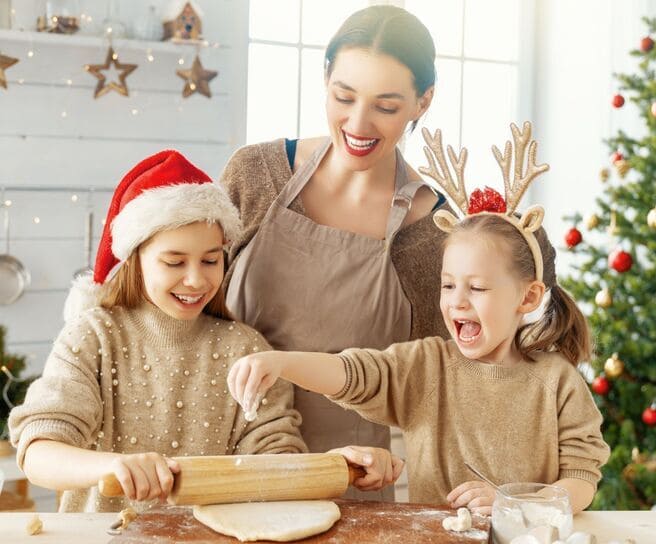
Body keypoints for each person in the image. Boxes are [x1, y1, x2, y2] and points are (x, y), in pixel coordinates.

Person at [226, 123, 611, 514]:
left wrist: (514, 504)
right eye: (447, 286)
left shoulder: (557, 382)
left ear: (527, 297)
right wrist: (281, 363)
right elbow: (354, 374)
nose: (457, 302)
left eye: (476, 289)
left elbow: (581, 478)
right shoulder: (429, 365)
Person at [9, 150, 401, 513]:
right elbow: (40, 452)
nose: (195, 280)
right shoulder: (93, 337)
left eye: (211, 260)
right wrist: (117, 466)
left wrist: (338, 466)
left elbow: (275, 462)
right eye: (174, 262)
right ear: (136, 260)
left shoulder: (245, 348)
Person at [220, 5, 449, 501]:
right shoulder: (255, 174)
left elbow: (435, 385)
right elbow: (185, 307)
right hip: (221, 465)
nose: (358, 122)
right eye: (343, 96)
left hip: (348, 488)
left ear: (423, 101)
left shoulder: (435, 231)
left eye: (386, 106)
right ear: (325, 78)